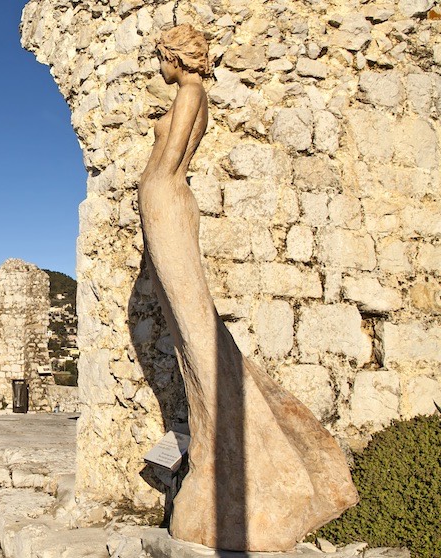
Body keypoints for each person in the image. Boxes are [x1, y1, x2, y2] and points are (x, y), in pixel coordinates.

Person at [136, 25, 356, 551]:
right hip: (164, 205)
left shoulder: (190, 93)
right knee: (199, 341)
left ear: (175, 56)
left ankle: (260, 472)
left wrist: (150, 187)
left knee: (200, 339)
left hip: (166, 203)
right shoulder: (192, 94)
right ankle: (237, 465)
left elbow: (166, 168)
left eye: (160, 58)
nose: (157, 67)